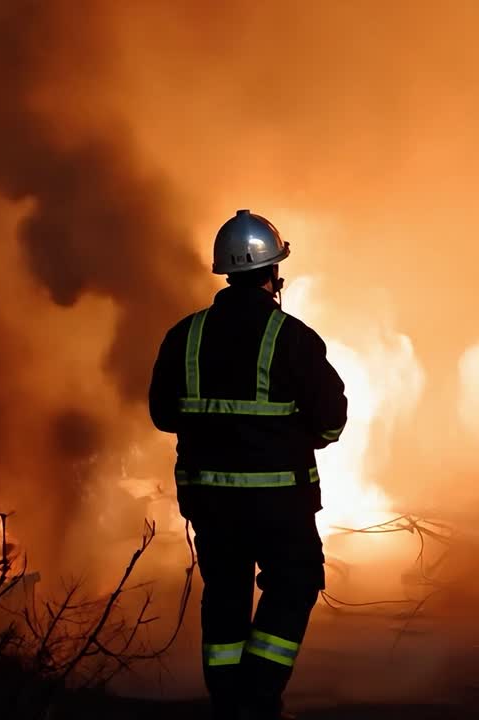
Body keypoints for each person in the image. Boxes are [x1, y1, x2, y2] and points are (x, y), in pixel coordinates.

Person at [149, 209, 347, 719]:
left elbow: (163, 416)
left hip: (211, 504)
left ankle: (228, 702)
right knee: (295, 583)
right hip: (279, 503)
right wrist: (294, 437)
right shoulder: (294, 339)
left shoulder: (184, 337)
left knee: (226, 595)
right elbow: (330, 422)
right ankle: (258, 697)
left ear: (226, 272)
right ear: (273, 274)